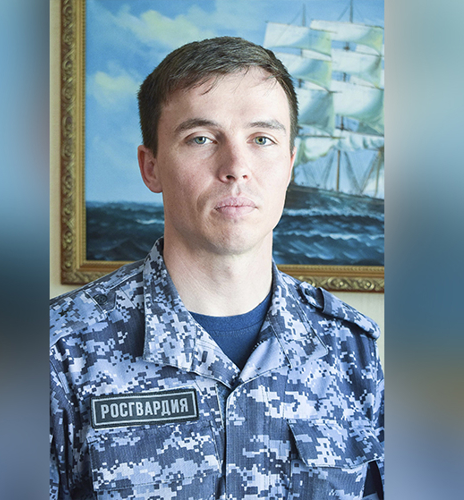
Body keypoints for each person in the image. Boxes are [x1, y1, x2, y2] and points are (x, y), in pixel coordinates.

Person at [50, 36, 384, 500]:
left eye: (262, 139)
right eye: (201, 139)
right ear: (151, 167)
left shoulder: (351, 349)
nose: (236, 167)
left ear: (289, 165)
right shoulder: (61, 349)